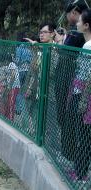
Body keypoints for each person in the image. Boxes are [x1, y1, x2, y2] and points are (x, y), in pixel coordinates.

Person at [54, 0, 88, 162]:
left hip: (73, 83)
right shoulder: (76, 34)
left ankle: (71, 157)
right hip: (72, 83)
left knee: (70, 121)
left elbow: (65, 54)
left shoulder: (77, 35)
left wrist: (60, 41)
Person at [66, 8, 91, 182]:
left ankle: (80, 173)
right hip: (82, 93)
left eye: (80, 21)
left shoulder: (88, 46)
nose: (77, 23)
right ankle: (80, 169)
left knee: (82, 135)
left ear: (87, 25)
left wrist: (82, 98)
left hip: (83, 94)